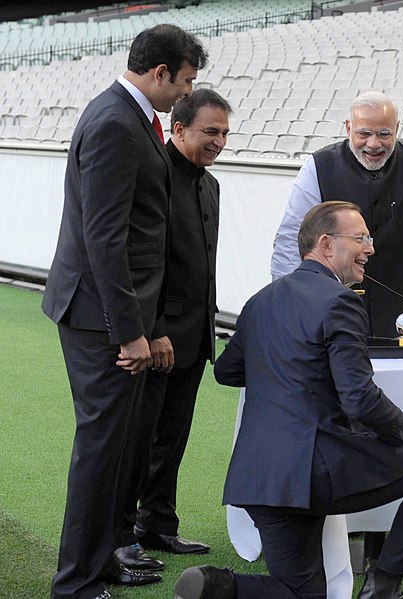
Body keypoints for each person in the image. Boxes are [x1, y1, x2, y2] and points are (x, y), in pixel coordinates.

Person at [175, 201, 403, 599]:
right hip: (314, 473)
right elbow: (360, 399)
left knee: (301, 593)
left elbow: (227, 372)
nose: (371, 248)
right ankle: (384, 586)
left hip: (259, 477)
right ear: (326, 244)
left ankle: (217, 587)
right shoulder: (341, 300)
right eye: (361, 238)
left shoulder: (260, 300)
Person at [42, 24, 207, 599]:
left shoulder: (131, 118)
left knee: (120, 447)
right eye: (186, 81)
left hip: (110, 313)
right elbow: (105, 239)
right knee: (102, 448)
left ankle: (105, 555)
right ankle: (77, 582)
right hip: (99, 318)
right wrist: (131, 332)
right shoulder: (115, 122)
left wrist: (147, 326)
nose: (187, 92)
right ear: (161, 72)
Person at [113, 89, 231, 568]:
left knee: (173, 438)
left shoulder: (211, 185)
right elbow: (140, 261)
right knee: (135, 443)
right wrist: (153, 327)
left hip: (194, 336)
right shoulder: (153, 177)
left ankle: (158, 525)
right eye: (210, 132)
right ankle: (120, 537)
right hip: (154, 338)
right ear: (178, 129)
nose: (219, 141)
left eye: (224, 133)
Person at [270, 91, 403, 338]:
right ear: (348, 128)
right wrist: (289, 307)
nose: (374, 144)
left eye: (384, 134)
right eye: (364, 133)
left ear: (397, 129)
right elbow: (292, 240)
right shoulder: (318, 166)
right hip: (328, 315)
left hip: (399, 320)